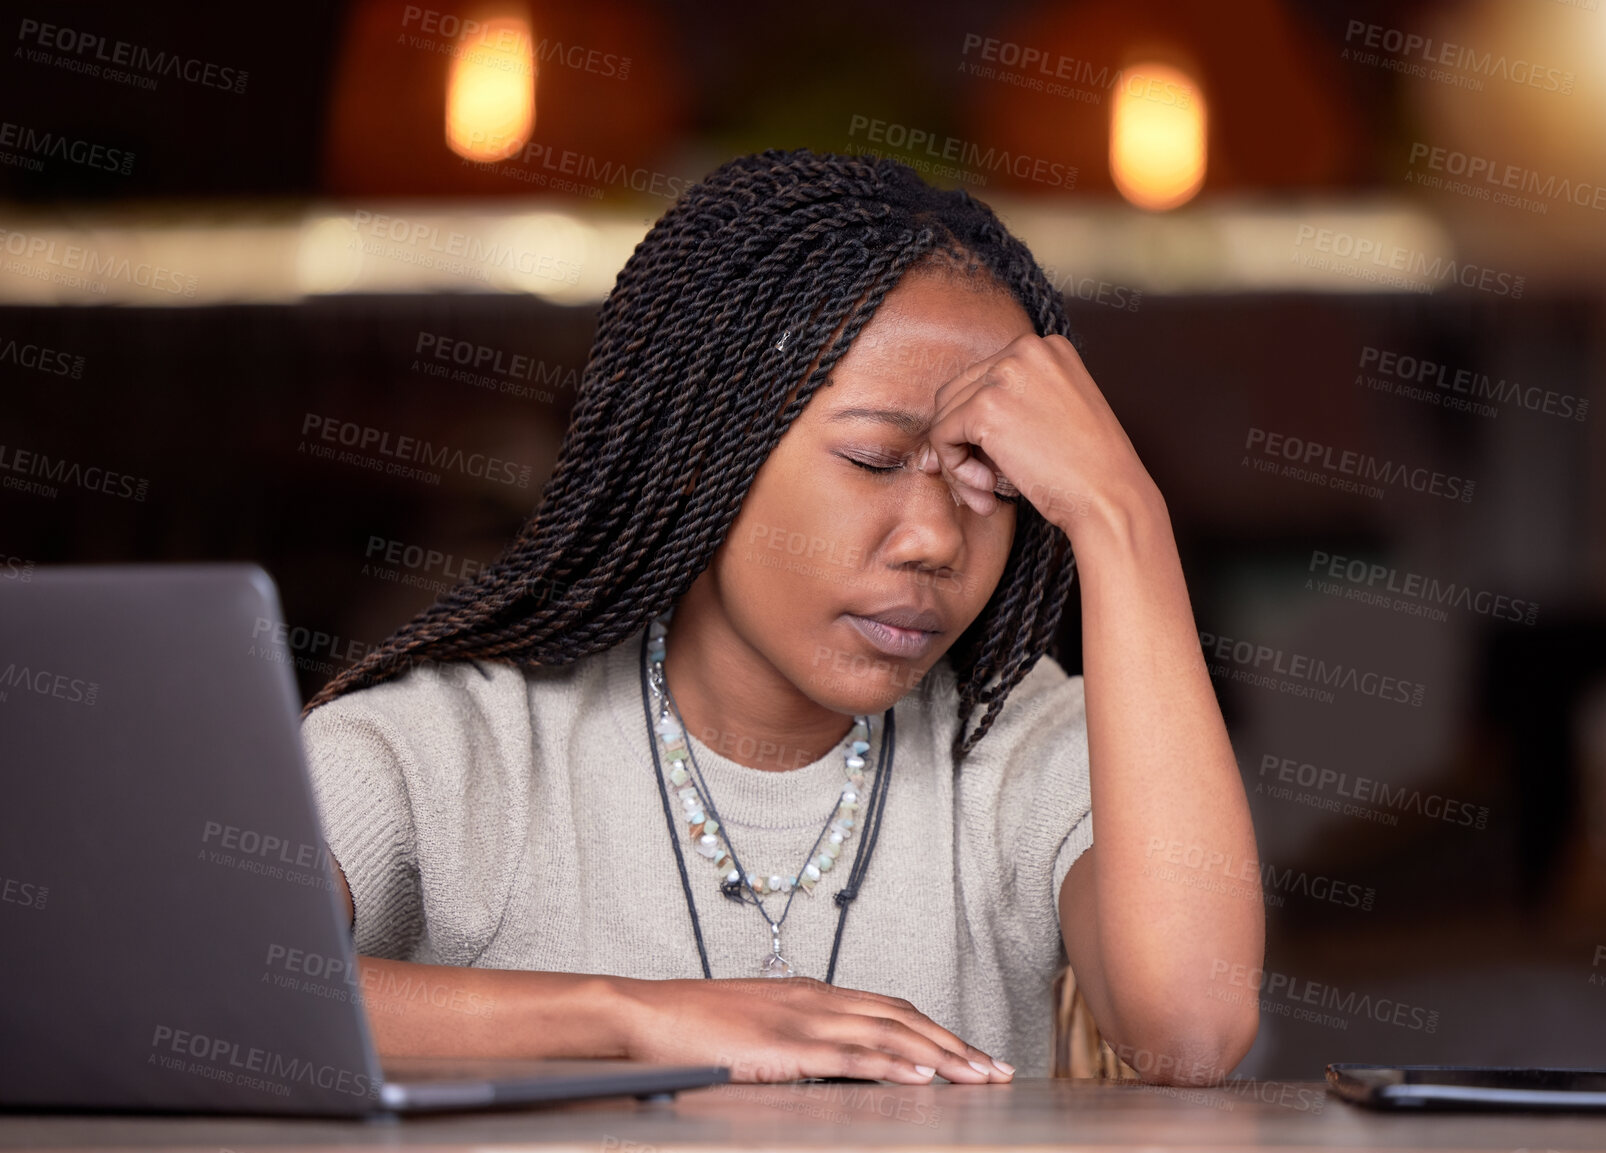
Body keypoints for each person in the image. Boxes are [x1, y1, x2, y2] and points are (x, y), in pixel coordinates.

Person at [299, 147, 1263, 1086]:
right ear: (696, 453)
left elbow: (1188, 1031)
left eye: (992, 482)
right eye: (875, 460)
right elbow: (186, 988)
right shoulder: (456, 746)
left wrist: (1121, 515)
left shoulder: (1022, 746)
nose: (934, 537)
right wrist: (627, 1018)